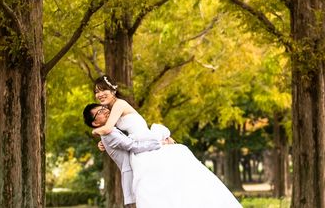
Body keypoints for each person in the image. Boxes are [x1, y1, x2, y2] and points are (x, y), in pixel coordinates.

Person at [88, 75, 242, 208]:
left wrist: (95, 131)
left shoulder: (119, 104)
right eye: (96, 92)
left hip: (146, 145)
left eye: (103, 90)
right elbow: (116, 134)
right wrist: (102, 143)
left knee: (165, 183)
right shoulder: (109, 111)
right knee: (155, 187)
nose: (99, 94)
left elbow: (108, 128)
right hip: (140, 148)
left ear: (113, 90)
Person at [83, 103, 167, 207]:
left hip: (139, 167)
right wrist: (160, 143)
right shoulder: (109, 135)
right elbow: (133, 146)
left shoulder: (112, 129)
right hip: (133, 174)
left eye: (104, 108)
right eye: (100, 112)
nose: (105, 111)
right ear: (95, 123)